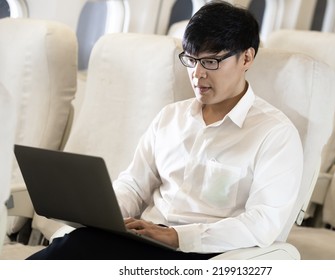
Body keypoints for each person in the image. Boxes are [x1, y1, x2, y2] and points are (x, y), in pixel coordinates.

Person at [27, 1, 303, 260]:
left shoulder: (274, 134)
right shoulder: (170, 117)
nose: (197, 74)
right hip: (147, 237)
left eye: (211, 62)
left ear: (246, 58)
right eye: (191, 60)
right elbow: (134, 185)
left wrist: (176, 236)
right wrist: (104, 215)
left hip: (203, 252)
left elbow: (262, 223)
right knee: (75, 243)